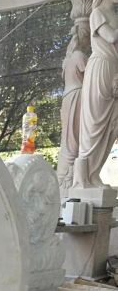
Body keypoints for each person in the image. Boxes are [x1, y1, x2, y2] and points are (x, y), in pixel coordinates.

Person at [73, 0, 118, 188]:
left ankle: (94, 174)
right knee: (95, 125)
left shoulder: (114, 14)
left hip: (114, 69)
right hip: (100, 68)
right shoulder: (97, 13)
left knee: (111, 125)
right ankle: (82, 179)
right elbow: (111, 37)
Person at [57, 26, 89, 191]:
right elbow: (90, 77)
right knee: (74, 139)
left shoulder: (68, 59)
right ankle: (67, 178)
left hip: (68, 97)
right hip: (77, 96)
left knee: (68, 139)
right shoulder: (78, 56)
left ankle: (65, 177)